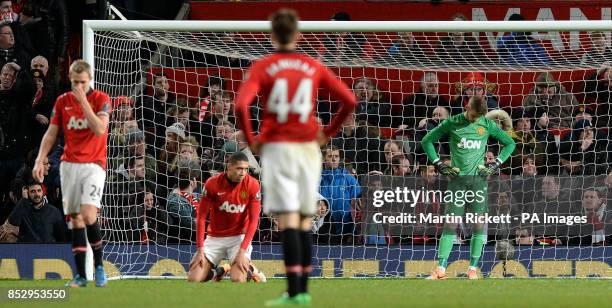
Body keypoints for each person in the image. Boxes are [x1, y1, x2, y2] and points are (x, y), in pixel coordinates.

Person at [234, 8, 356, 305]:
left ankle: (293, 292)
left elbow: (240, 106)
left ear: (273, 34)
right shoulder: (312, 65)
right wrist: (328, 132)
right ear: (298, 35)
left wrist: (252, 141)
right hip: (308, 149)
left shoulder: (263, 66)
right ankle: (303, 291)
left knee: (288, 220)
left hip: (278, 147)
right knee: (304, 219)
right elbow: (350, 100)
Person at [31, 60, 111, 287]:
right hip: (69, 166)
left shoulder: (101, 99)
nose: (78, 86)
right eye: (75, 82)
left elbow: (99, 129)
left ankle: (98, 266)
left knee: (88, 214)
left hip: (94, 164)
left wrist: (83, 100)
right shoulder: (62, 101)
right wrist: (40, 158)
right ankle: (81, 276)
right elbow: (51, 133)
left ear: (90, 80)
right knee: (75, 219)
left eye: (82, 82)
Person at [421, 96, 516, 280]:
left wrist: (495, 164)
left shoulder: (486, 124)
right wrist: (439, 164)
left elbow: (510, 143)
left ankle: (473, 269)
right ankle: (440, 268)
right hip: (457, 181)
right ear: (466, 107)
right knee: (450, 223)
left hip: (478, 182)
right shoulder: (452, 122)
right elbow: (426, 141)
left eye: (478, 117)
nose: (475, 119)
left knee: (479, 225)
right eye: (473, 116)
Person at [189, 152, 266, 283]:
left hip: (239, 238)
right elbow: (201, 218)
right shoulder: (212, 183)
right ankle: (218, 271)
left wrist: (242, 251)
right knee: (193, 279)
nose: (243, 173)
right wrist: (200, 249)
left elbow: (254, 222)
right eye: (239, 168)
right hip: (214, 237)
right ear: (229, 167)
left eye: (246, 169)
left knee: (237, 279)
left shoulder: (252, 185)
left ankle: (251, 269)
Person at [0, 181, 65, 243]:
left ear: (43, 192)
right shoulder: (22, 209)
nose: (37, 194)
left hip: (47, 251)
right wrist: (23, 200)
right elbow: (12, 223)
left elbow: (61, 238)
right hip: (27, 251)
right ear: (27, 193)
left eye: (39, 191)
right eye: (33, 191)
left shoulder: (54, 212)